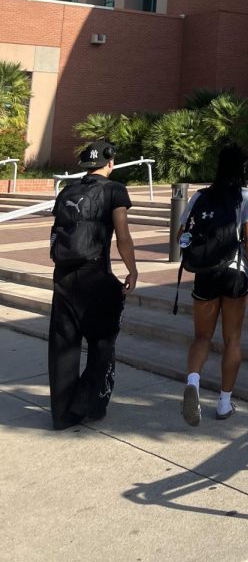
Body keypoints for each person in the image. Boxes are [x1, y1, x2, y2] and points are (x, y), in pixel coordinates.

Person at [47, 139, 138, 430]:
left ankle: (62, 415)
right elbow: (122, 236)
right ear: (110, 162)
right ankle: (88, 403)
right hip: (95, 274)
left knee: (64, 345)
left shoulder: (67, 191)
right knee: (102, 343)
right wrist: (132, 270)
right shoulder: (115, 190)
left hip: (63, 275)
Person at [180, 144, 248, 426]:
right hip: (234, 272)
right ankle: (224, 403)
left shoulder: (201, 196)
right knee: (233, 339)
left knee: (202, 337)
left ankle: (193, 381)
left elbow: (182, 233)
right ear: (241, 168)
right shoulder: (246, 196)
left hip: (205, 272)